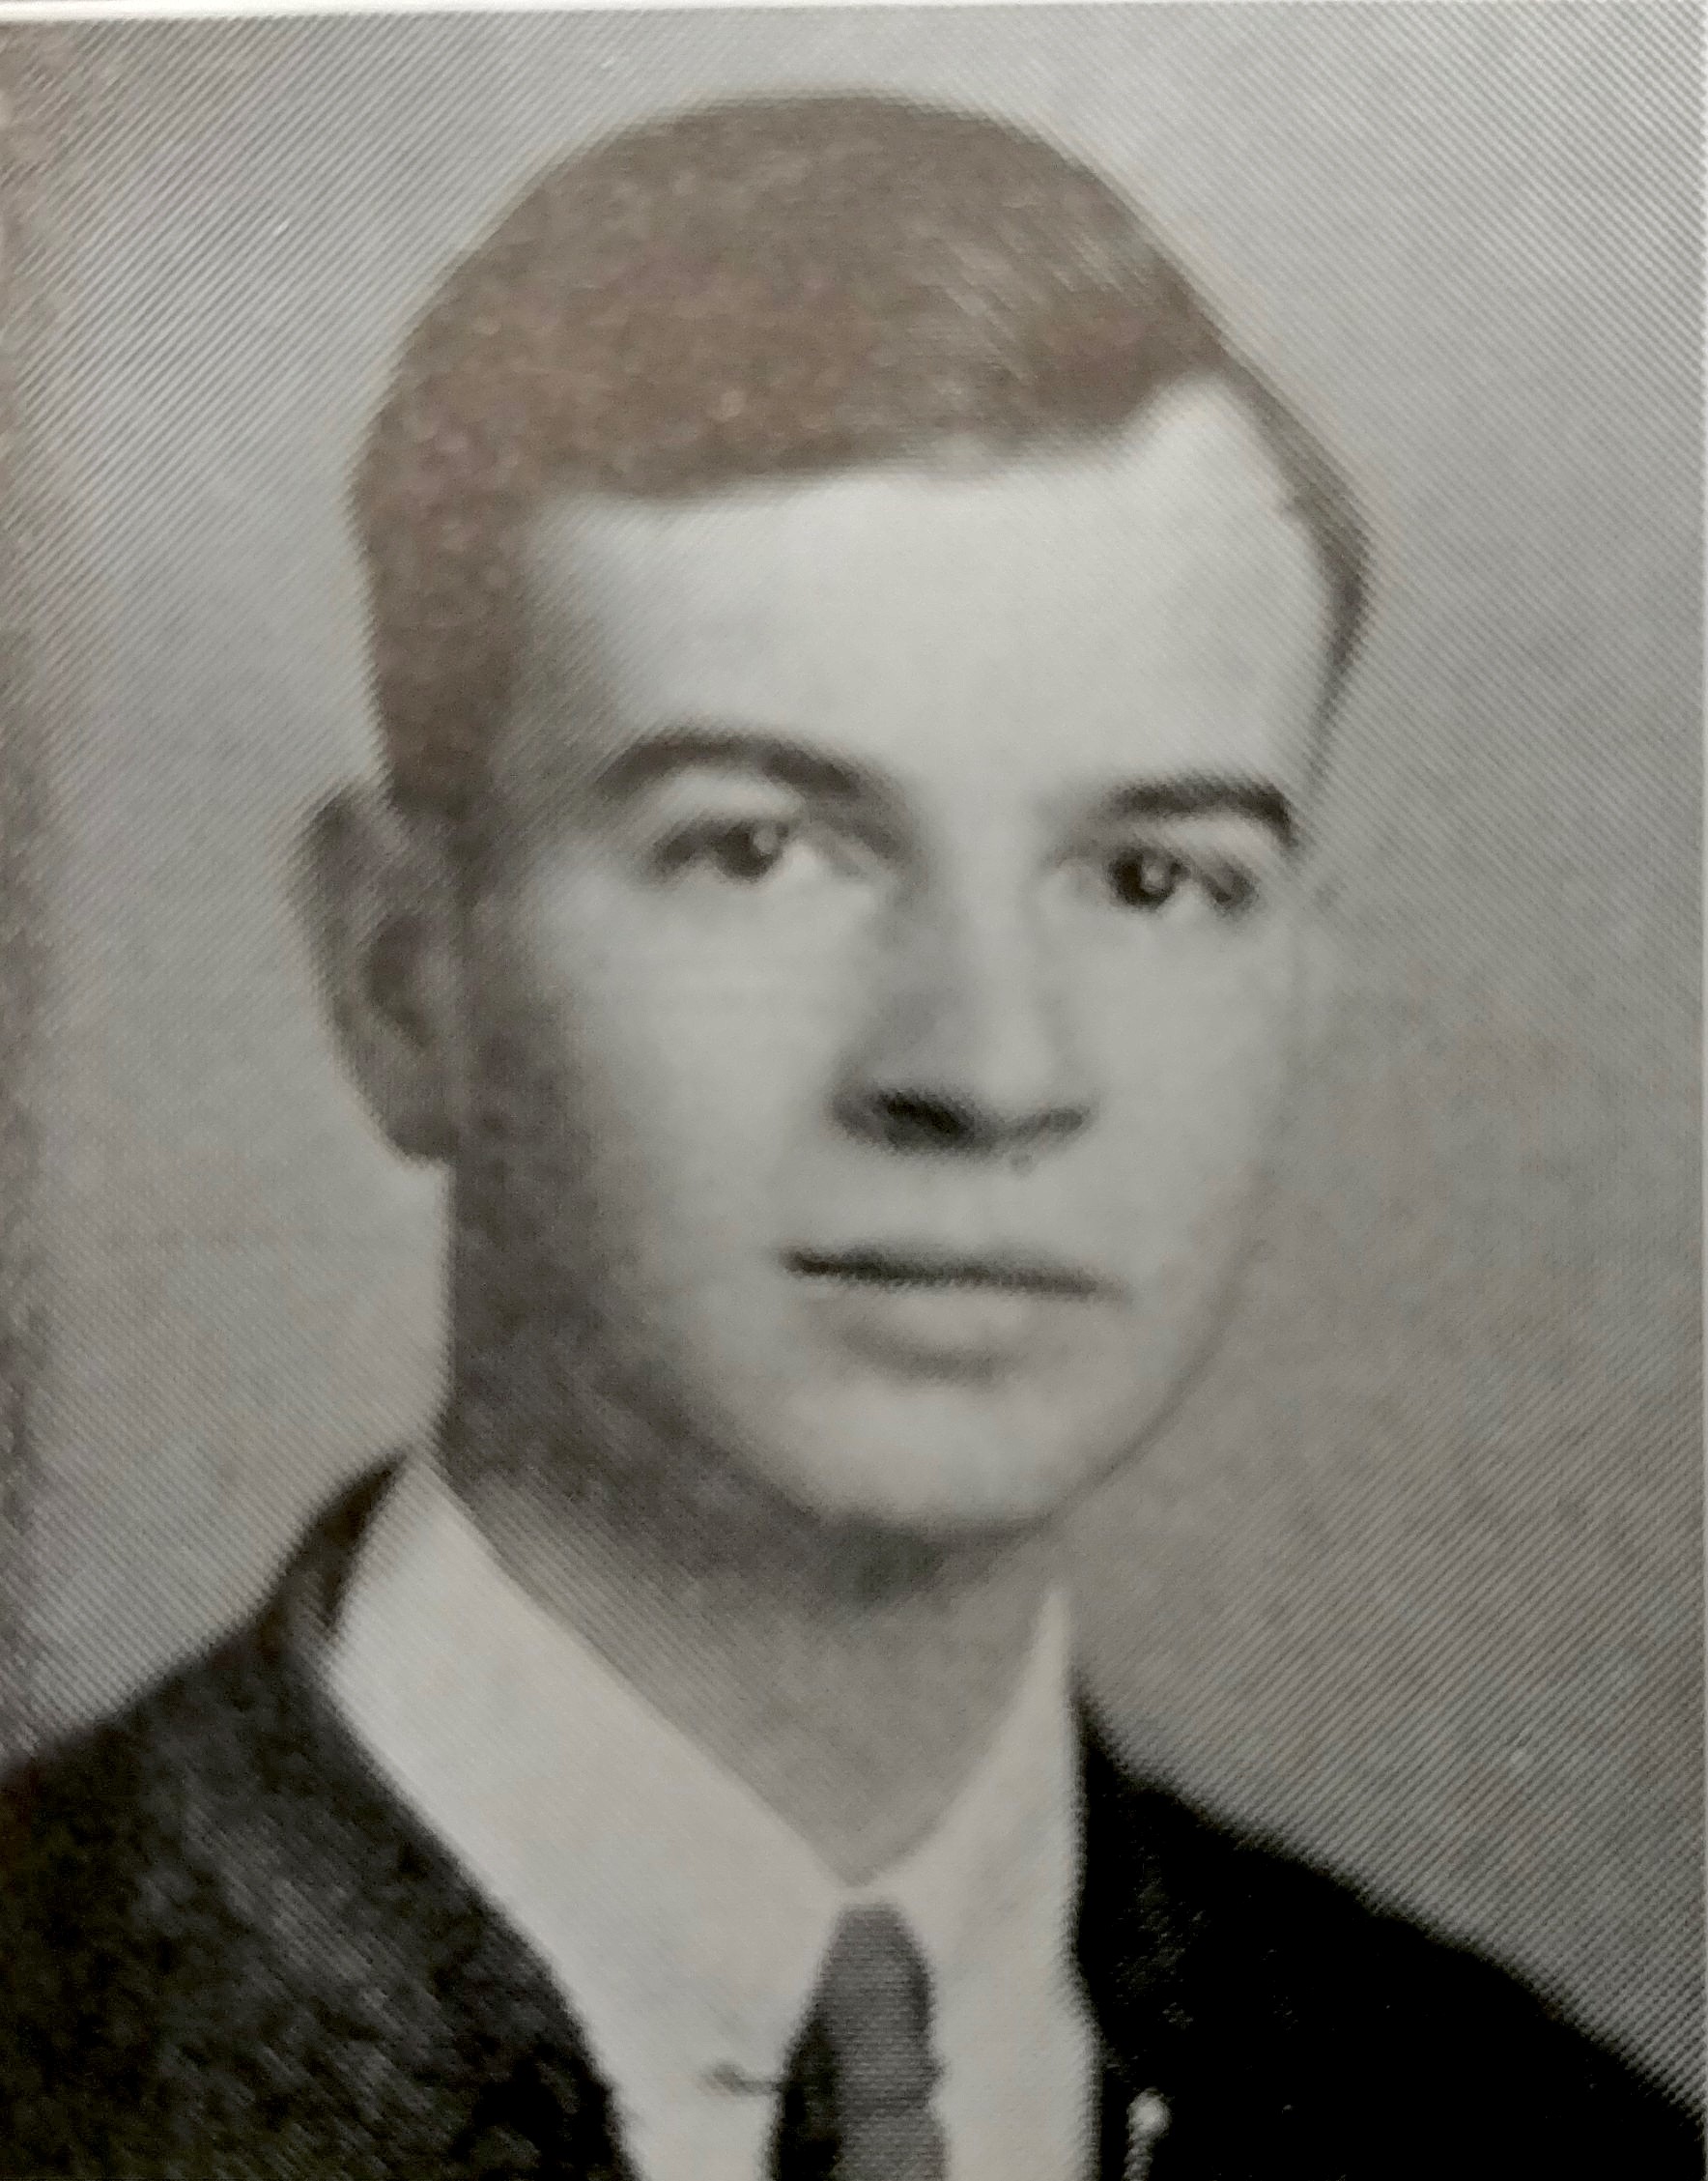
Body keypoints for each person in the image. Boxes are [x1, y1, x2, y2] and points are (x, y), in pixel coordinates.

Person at [0, 93, 1695, 2181]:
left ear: (1297, 981)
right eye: (759, 848)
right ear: (400, 973)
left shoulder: (1537, 2144)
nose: (984, 1068)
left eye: (1150, 876)